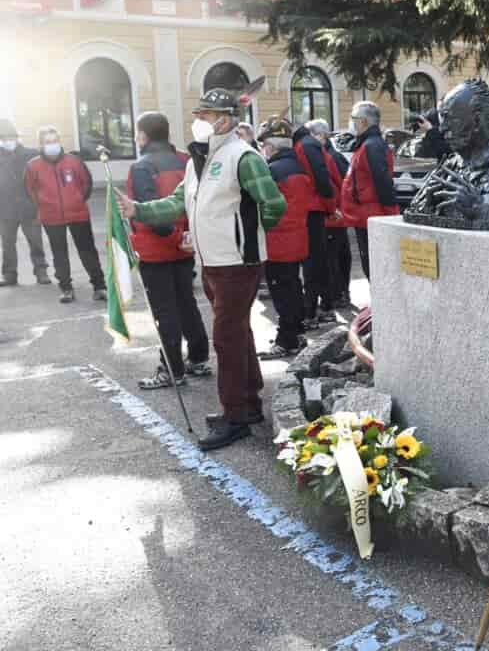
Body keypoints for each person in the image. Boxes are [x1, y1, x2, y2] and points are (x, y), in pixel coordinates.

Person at [118, 88, 286, 451]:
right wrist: (139, 210)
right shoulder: (201, 159)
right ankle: (249, 406)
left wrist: (247, 240)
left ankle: (235, 416)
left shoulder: (243, 156)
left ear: (224, 119)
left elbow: (274, 204)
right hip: (213, 262)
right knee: (237, 333)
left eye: (205, 116)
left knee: (226, 338)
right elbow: (179, 201)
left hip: (236, 263)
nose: (198, 121)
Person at [128, 112, 211, 390]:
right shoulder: (185, 161)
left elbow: (151, 212)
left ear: (144, 135)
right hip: (184, 245)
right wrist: (185, 237)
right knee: (186, 303)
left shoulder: (142, 167)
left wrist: (175, 236)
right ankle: (198, 357)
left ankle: (172, 368)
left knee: (166, 311)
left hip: (158, 249)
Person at [23, 126, 106, 303]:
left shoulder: (74, 161)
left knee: (87, 251)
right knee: (59, 253)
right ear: (41, 144)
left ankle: (99, 286)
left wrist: (77, 200)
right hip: (51, 217)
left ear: (59, 141)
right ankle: (66, 289)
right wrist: (43, 205)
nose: (52, 145)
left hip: (78, 214)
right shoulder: (33, 166)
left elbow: (86, 184)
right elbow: (29, 190)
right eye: (48, 142)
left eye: (54, 141)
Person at [257, 119, 312, 358]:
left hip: (277, 240)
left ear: (270, 146)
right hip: (297, 236)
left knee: (282, 293)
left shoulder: (272, 170)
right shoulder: (298, 166)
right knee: (293, 287)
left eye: (264, 146)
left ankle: (286, 340)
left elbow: (265, 205)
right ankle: (296, 334)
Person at [339, 102, 398, 279]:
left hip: (372, 216)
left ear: (363, 122)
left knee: (374, 265)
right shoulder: (367, 144)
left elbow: (382, 181)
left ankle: (380, 303)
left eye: (353, 119)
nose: (351, 123)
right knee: (370, 262)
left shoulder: (371, 146)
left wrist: (389, 214)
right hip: (365, 216)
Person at [291, 118, 337, 327]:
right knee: (317, 261)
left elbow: (321, 178)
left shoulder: (304, 145)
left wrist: (329, 205)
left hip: (311, 209)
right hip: (314, 208)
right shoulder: (309, 145)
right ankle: (324, 307)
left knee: (313, 263)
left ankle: (312, 311)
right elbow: (323, 177)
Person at [308, 120, 354, 310]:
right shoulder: (330, 156)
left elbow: (344, 184)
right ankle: (341, 293)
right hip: (335, 215)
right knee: (338, 256)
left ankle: (338, 294)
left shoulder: (329, 157)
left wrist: (336, 208)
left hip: (333, 216)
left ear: (321, 136)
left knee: (334, 258)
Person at [0, 118, 50, 287]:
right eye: (4, 138)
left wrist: (39, 201)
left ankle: (41, 272)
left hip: (29, 207)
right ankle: (9, 275)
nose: (8, 141)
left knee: (35, 241)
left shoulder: (31, 154)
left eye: (11, 137)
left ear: (16, 137)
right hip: (5, 208)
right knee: (7, 244)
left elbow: (42, 178)